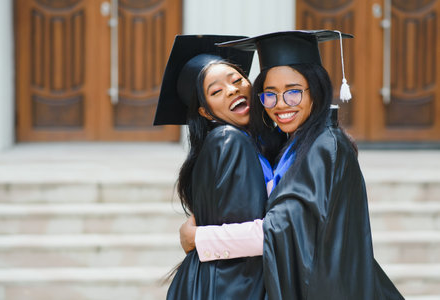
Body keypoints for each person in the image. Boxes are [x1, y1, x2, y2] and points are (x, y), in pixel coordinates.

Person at [179, 30, 404, 299]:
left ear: (316, 89)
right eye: (270, 94)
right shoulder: (291, 143)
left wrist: (199, 239)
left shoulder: (325, 146)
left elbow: (281, 229)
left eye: (294, 92)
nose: (281, 104)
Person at [153, 34, 280, 299]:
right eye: (216, 91)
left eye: (236, 80)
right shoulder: (228, 140)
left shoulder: (254, 142)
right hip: (230, 287)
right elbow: (245, 238)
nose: (232, 90)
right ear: (206, 112)